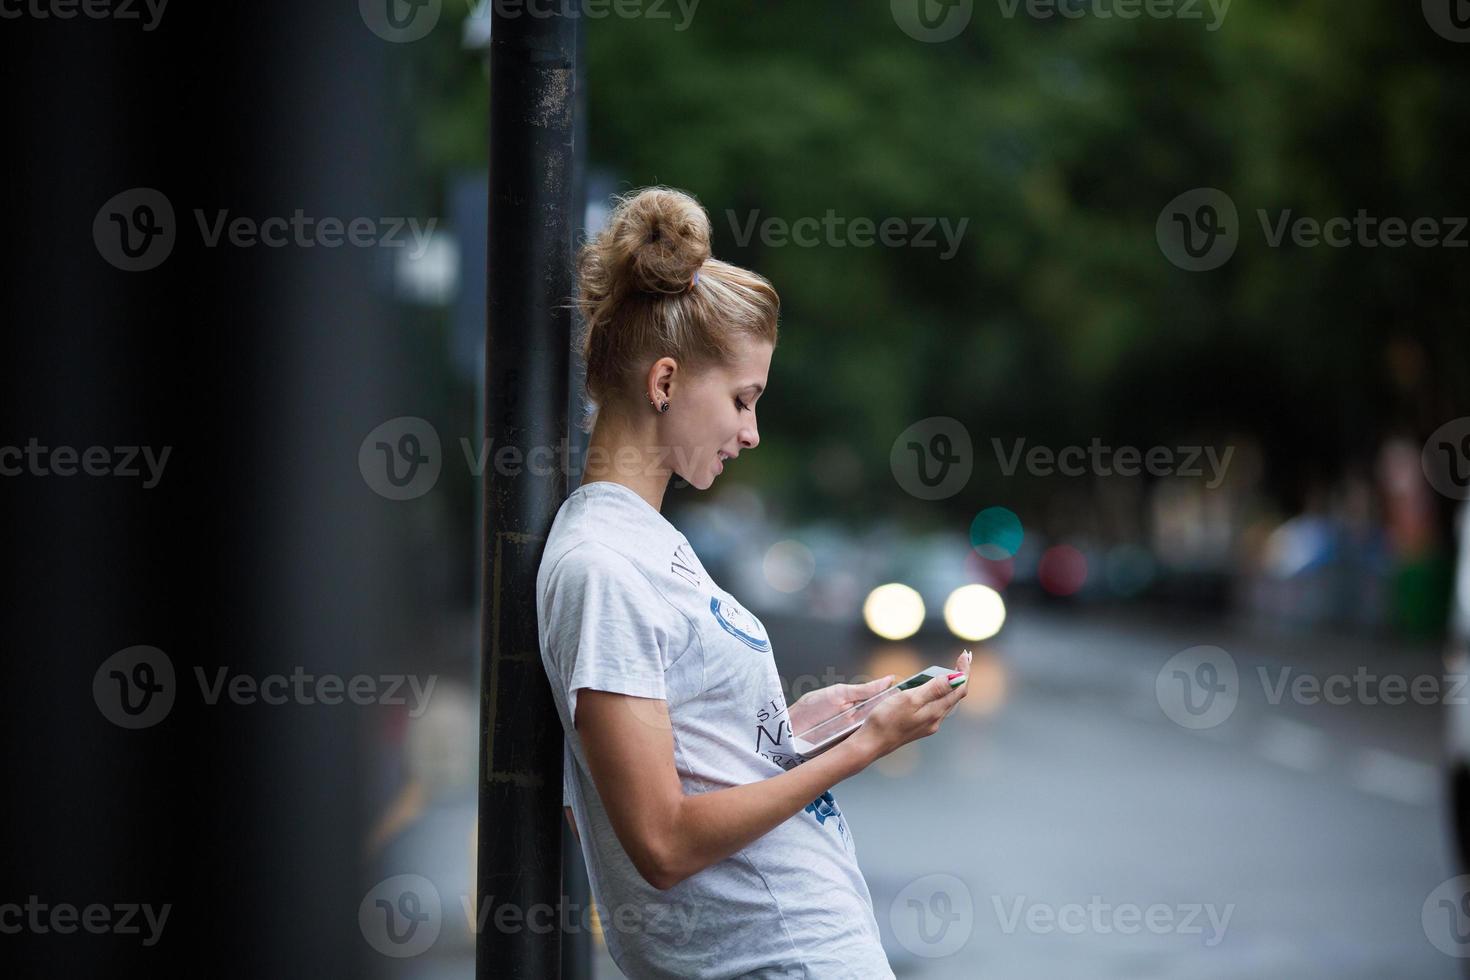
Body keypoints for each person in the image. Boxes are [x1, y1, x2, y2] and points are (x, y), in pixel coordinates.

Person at [536, 185, 971, 979]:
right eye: (742, 399)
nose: (751, 431)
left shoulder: (647, 545)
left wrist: (794, 728)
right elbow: (661, 843)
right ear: (664, 382)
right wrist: (866, 746)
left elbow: (690, 750)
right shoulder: (603, 566)